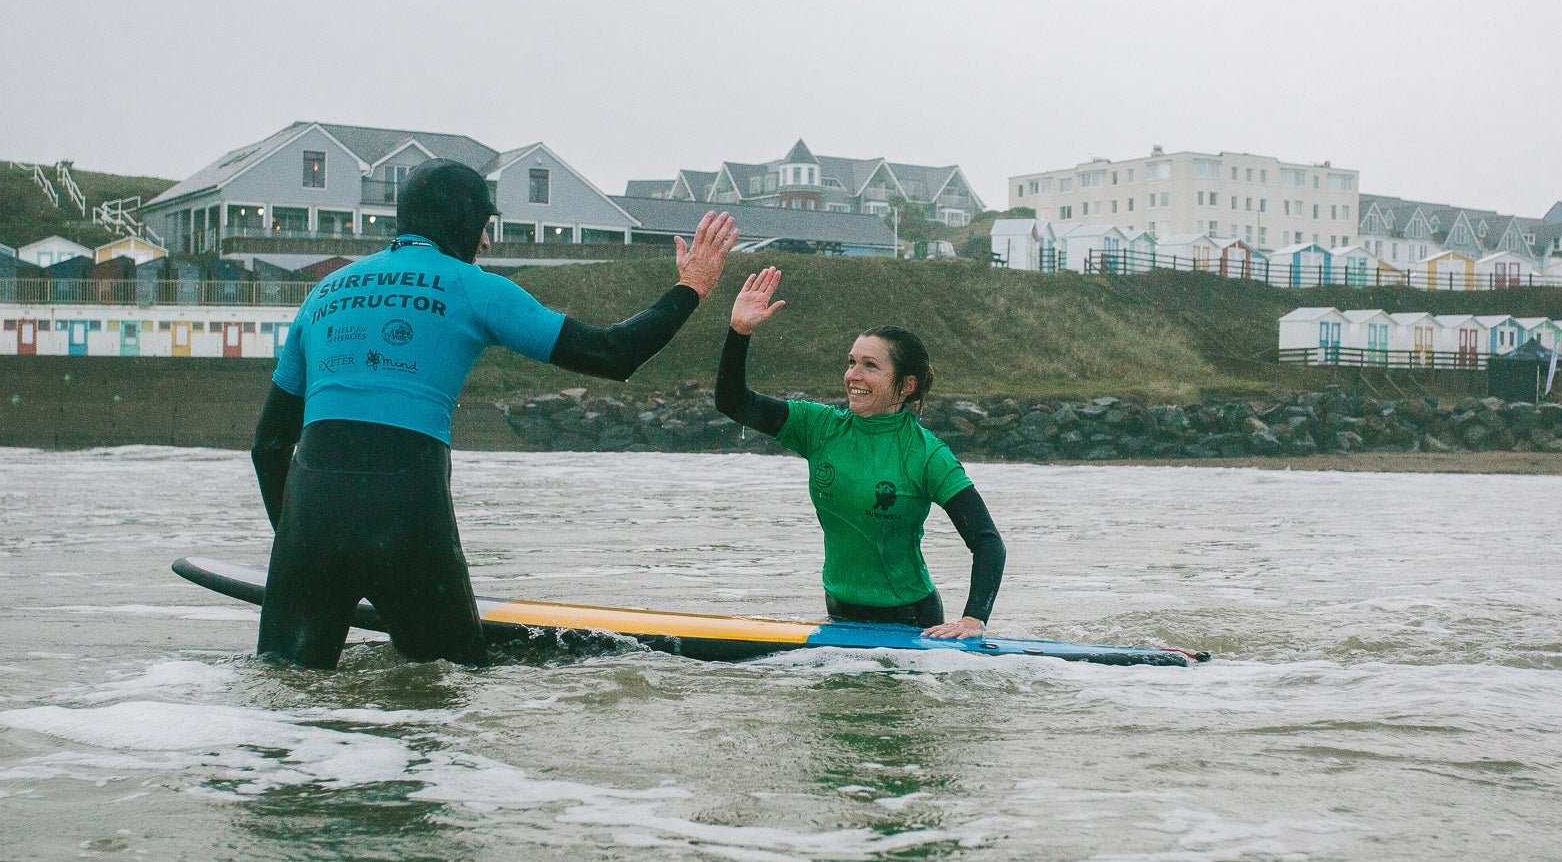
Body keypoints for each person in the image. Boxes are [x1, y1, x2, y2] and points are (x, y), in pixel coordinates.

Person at [251, 159, 736, 668]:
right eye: (485, 227)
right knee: (447, 689)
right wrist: (693, 287)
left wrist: (302, 547)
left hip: (308, 521)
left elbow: (268, 448)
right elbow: (613, 354)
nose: (485, 243)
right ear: (463, 222)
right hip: (406, 514)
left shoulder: (322, 296)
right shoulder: (471, 287)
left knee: (286, 696)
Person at [713, 266, 1005, 639]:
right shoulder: (818, 427)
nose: (854, 375)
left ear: (906, 384)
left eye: (870, 366)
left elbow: (987, 541)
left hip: (911, 621)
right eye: (852, 362)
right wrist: (739, 332)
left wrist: (973, 620)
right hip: (840, 615)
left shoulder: (927, 455)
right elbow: (732, 401)